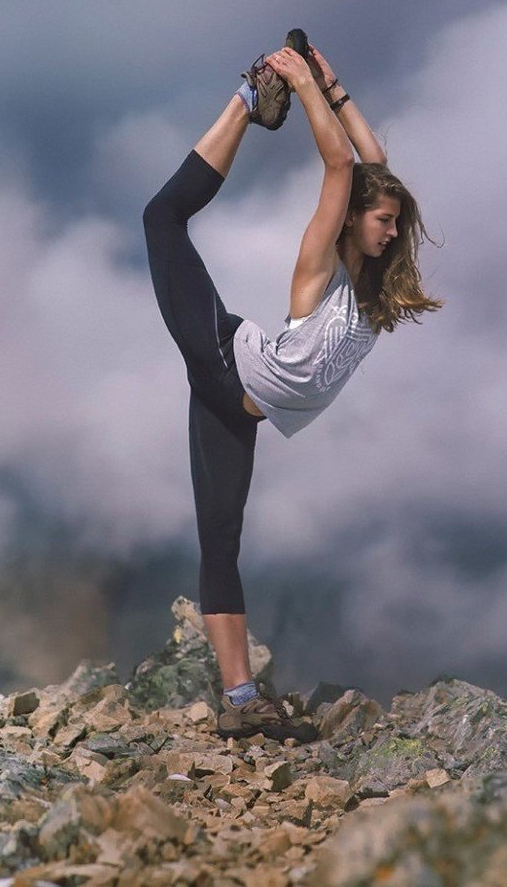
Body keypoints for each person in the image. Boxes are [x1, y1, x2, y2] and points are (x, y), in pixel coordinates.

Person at [142, 36, 441, 741]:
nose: (393, 230)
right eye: (382, 220)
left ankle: (241, 699)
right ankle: (246, 102)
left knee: (221, 541)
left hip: (239, 408)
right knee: (161, 219)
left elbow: (375, 168)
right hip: (221, 357)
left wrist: (335, 92)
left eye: (396, 222)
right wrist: (300, 84)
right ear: (351, 223)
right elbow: (345, 164)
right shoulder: (322, 266)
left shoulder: (374, 291)